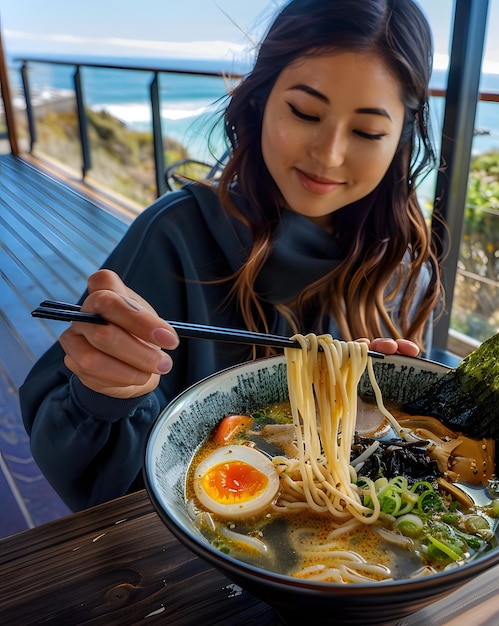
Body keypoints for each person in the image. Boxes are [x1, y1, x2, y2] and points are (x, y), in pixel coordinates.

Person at [19, 0, 442, 512]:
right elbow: (84, 462)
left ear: (400, 137)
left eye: (367, 132)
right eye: (305, 112)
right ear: (261, 100)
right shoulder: (174, 234)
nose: (329, 154)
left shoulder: (398, 266)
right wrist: (106, 388)